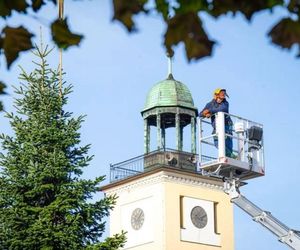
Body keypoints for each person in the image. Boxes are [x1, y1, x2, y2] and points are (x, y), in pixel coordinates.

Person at [200, 88, 234, 158]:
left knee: (227, 142)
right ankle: (229, 155)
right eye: (222, 94)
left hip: (226, 125)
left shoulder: (225, 103)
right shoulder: (210, 104)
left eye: (224, 94)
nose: (223, 96)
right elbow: (200, 114)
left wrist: (209, 111)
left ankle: (230, 155)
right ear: (216, 95)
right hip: (217, 127)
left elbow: (222, 109)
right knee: (217, 143)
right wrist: (205, 114)